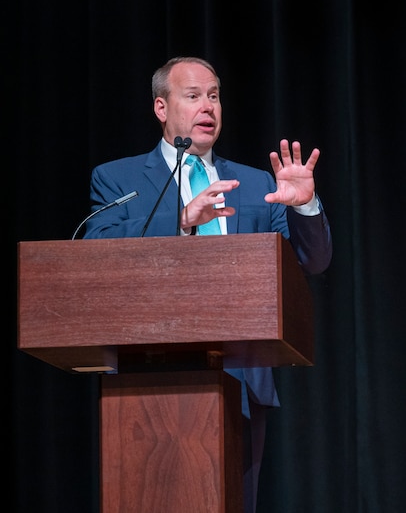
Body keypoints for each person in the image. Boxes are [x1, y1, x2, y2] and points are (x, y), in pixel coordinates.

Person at [83, 56, 333, 513]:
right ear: (162, 108)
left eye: (214, 96)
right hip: (144, 382)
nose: (208, 107)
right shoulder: (118, 179)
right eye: (193, 96)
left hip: (242, 380)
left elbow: (312, 262)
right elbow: (97, 246)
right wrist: (180, 220)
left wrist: (305, 206)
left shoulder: (258, 184)